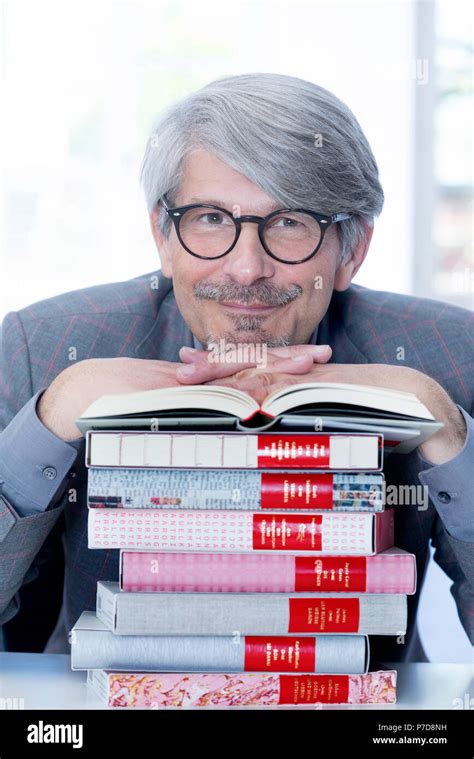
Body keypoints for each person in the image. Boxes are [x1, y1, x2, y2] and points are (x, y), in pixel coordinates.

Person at [0, 73, 472, 660]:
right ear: (163, 236)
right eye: (211, 219)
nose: (247, 269)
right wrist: (56, 413)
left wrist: (445, 430)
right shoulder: (43, 346)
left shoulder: (449, 355)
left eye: (291, 223)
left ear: (351, 251)